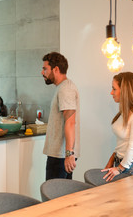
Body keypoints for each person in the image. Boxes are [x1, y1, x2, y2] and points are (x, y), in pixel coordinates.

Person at [102, 72, 133, 181]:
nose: (111, 92)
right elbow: (122, 142)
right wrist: (112, 158)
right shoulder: (123, 113)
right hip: (122, 165)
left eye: (114, 89)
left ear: (125, 91)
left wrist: (119, 169)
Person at [41, 52, 80, 180]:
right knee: (63, 197)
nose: (42, 73)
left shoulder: (65, 89)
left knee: (54, 198)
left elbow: (70, 122)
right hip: (61, 154)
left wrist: (69, 154)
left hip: (61, 156)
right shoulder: (62, 88)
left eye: (45, 68)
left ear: (56, 69)